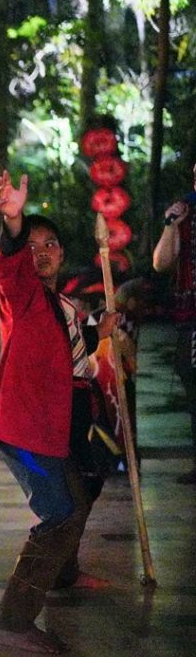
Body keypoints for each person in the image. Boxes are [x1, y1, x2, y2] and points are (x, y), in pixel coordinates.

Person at [0, 172, 119, 654]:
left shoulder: (63, 307)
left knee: (76, 500)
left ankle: (63, 576)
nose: (41, 253)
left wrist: (102, 334)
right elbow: (8, 263)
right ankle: (13, 622)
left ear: (62, 254)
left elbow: (77, 366)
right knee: (59, 516)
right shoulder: (21, 295)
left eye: (51, 245)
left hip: (51, 428)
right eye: (33, 246)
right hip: (24, 428)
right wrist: (12, 219)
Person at [152, 162, 196, 484]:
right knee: (191, 382)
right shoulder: (185, 219)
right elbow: (160, 263)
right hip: (191, 320)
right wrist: (170, 226)